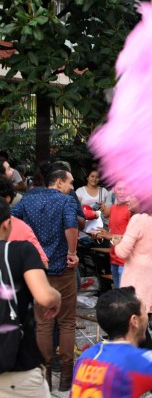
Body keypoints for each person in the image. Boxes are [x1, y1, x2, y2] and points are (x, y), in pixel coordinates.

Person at [12, 167, 79, 391]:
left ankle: (46, 378)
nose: (72, 187)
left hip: (37, 270)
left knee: (43, 324)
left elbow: (13, 221)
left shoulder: (28, 200)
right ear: (59, 182)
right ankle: (67, 380)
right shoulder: (66, 201)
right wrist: (72, 252)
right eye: (70, 183)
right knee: (67, 322)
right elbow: (71, 226)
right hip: (63, 268)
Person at [0, 200, 61, 398]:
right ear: (6, 224)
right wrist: (56, 296)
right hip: (16, 368)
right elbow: (44, 297)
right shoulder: (21, 251)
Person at [113, 196, 152, 351]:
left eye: (132, 195)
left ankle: (141, 367)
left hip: (136, 283)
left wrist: (115, 243)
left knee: (135, 330)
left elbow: (122, 252)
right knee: (142, 328)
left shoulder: (138, 219)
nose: (127, 198)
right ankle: (146, 366)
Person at [95, 181, 131, 288]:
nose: (122, 192)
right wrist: (100, 235)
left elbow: (132, 237)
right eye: (119, 189)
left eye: (125, 189)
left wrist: (108, 236)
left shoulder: (131, 209)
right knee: (118, 293)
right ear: (114, 190)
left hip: (126, 260)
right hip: (114, 257)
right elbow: (112, 232)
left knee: (124, 296)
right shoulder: (113, 208)